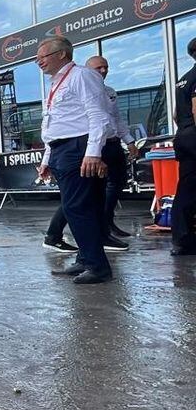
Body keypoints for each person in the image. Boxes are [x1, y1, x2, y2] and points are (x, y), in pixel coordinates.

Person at [36, 36, 113, 284]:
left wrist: (93, 152)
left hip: (76, 147)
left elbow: (97, 115)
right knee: (76, 207)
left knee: (77, 208)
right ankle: (85, 259)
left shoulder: (81, 76)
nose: (39, 61)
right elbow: (54, 124)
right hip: (61, 149)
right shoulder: (57, 82)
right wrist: (48, 157)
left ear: (62, 54)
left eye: (43, 56)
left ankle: (97, 265)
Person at [43, 56, 138, 253]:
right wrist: (94, 153)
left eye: (105, 67)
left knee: (98, 193)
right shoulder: (75, 84)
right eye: (97, 67)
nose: (102, 71)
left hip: (109, 143)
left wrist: (128, 140)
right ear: (86, 70)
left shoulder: (109, 93)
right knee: (78, 198)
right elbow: (57, 126)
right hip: (90, 146)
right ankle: (58, 236)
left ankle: (101, 234)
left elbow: (116, 119)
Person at [171, 38, 196, 256]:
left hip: (184, 137)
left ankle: (182, 240)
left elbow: (176, 115)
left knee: (187, 189)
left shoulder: (183, 79)